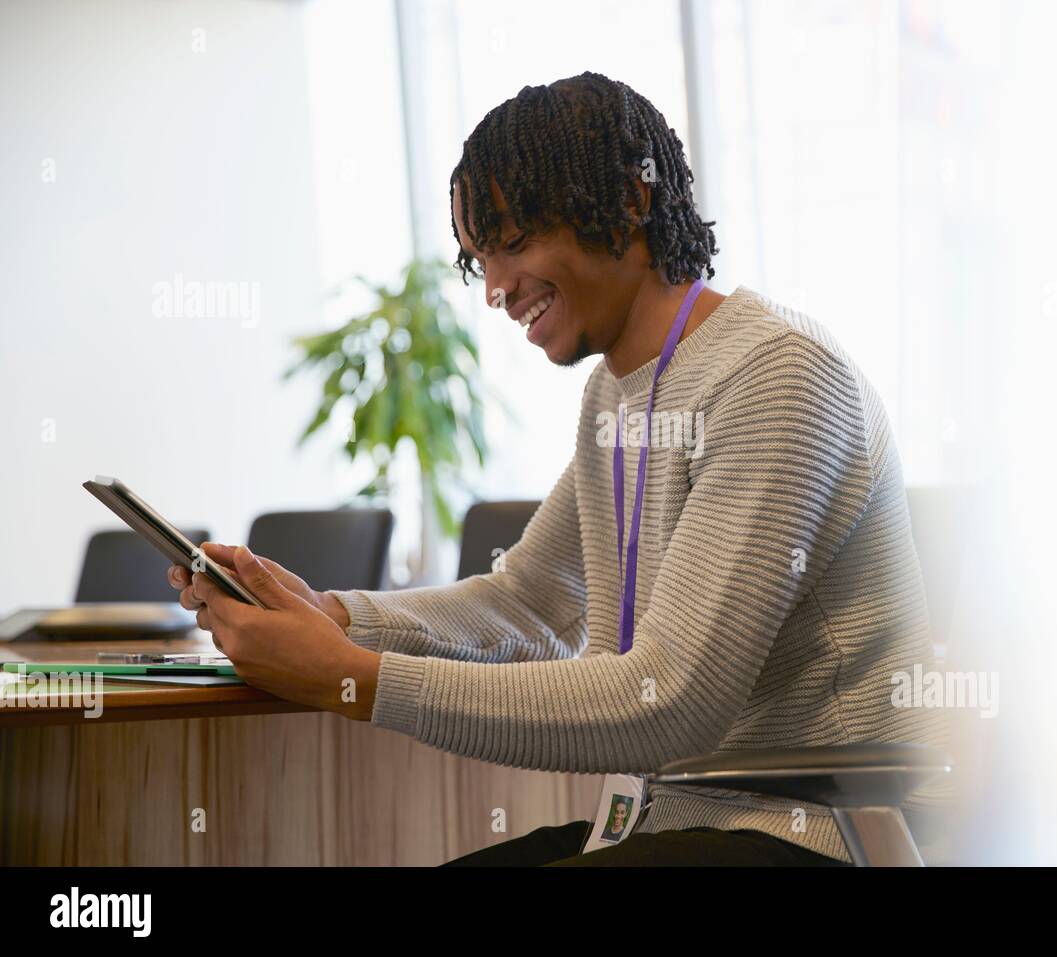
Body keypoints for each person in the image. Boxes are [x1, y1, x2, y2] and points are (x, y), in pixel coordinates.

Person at [169, 72, 948, 867]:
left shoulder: (779, 376)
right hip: (673, 823)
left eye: (512, 243)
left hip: (811, 837)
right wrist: (338, 617)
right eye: (481, 259)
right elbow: (528, 602)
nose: (498, 290)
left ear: (629, 201)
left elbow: (670, 699)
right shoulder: (618, 392)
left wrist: (360, 678)